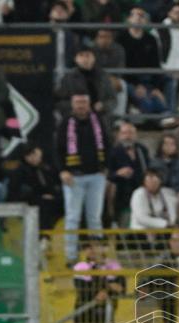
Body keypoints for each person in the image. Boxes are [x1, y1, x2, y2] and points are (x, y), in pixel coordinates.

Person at [58, 94, 110, 265]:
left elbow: (107, 143)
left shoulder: (98, 121)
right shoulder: (66, 123)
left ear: (89, 104)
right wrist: (62, 170)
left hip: (96, 176)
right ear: (72, 104)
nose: (81, 105)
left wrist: (105, 167)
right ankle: (71, 256)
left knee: (94, 217)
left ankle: (98, 256)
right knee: (73, 217)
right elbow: (57, 148)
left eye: (84, 102)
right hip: (74, 176)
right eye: (77, 102)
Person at [120, 7, 170, 122]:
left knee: (164, 87)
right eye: (135, 15)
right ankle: (158, 118)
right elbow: (122, 66)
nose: (138, 18)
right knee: (148, 103)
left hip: (148, 79)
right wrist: (136, 85)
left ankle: (168, 115)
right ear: (128, 19)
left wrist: (157, 88)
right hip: (129, 79)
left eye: (141, 16)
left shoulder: (151, 39)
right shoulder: (121, 39)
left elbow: (156, 65)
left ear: (146, 21)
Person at [55, 46, 120, 133]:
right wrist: (77, 107)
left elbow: (113, 99)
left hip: (101, 118)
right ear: (76, 59)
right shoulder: (68, 78)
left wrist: (103, 105)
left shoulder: (103, 76)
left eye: (88, 55)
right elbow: (59, 102)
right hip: (75, 120)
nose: (85, 59)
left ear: (94, 58)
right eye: (81, 55)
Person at [9, 143, 62, 234]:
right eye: (29, 156)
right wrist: (40, 197)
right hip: (31, 200)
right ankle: (44, 236)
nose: (33, 158)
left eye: (35, 154)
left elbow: (56, 184)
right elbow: (16, 192)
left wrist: (55, 195)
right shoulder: (21, 171)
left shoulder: (49, 166)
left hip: (52, 198)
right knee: (44, 206)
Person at [108, 121, 151, 217]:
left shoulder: (142, 150)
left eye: (131, 133)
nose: (128, 136)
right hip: (122, 192)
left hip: (140, 190)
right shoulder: (113, 152)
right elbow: (108, 175)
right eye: (124, 133)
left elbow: (148, 168)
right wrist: (118, 173)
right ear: (119, 135)